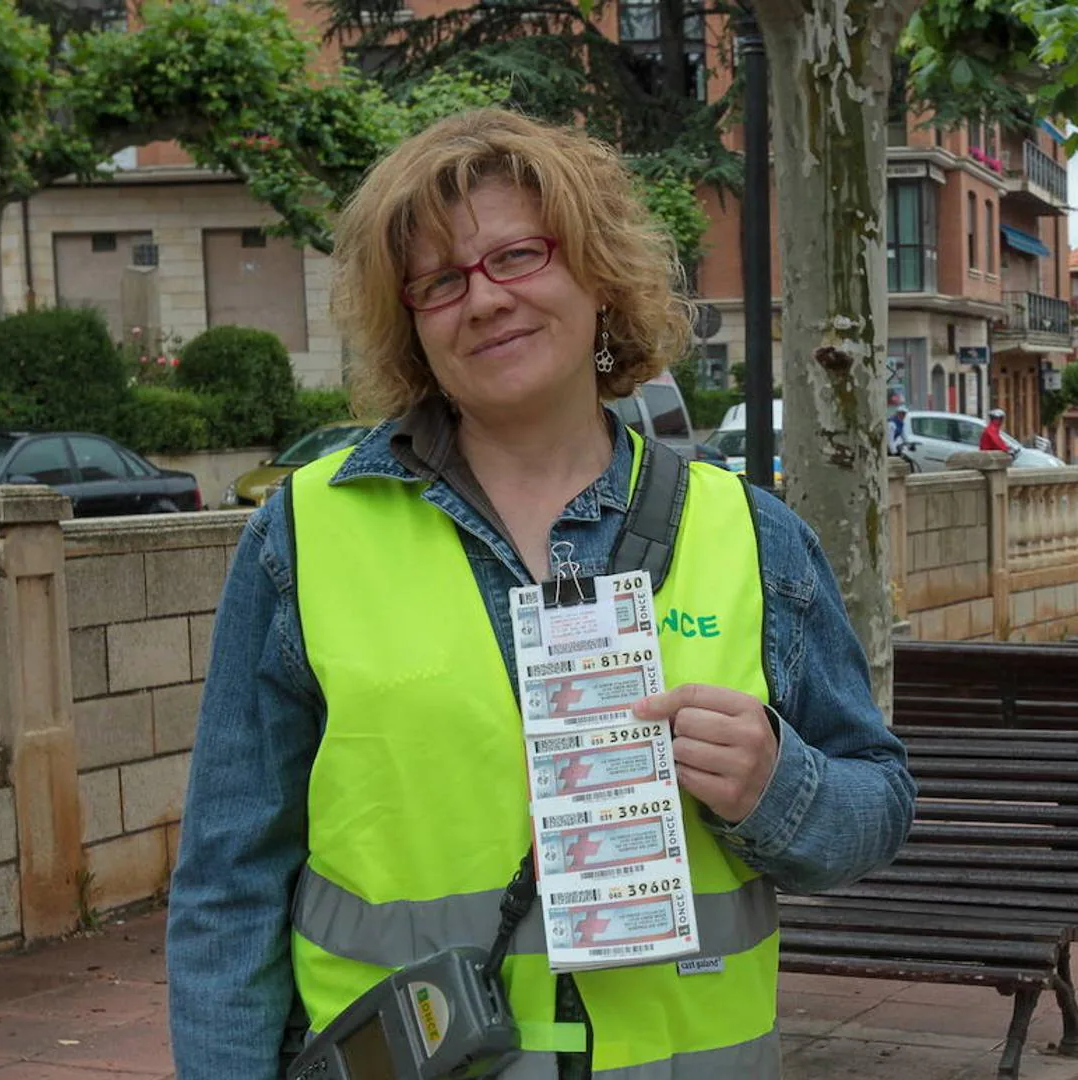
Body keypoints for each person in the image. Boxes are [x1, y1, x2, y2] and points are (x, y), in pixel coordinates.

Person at [165, 109, 916, 1080]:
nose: (482, 300)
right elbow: (229, 887)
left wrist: (780, 784)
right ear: (410, 322)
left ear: (597, 275)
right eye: (439, 280)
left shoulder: (752, 537)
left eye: (518, 255)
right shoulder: (302, 539)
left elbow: (878, 806)